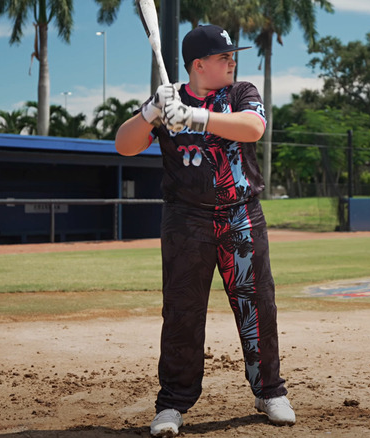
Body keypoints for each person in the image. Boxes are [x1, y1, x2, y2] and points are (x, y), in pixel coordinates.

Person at [114, 24, 294, 437]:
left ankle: (269, 391)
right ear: (199, 65)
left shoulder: (240, 92)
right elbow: (124, 145)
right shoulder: (167, 98)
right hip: (186, 219)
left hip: (241, 214)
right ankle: (172, 404)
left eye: (233, 56)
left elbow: (253, 128)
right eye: (223, 57)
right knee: (182, 311)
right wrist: (151, 113)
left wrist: (196, 116)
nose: (232, 61)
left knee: (258, 305)